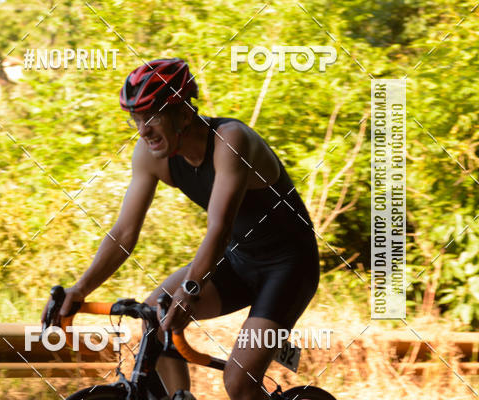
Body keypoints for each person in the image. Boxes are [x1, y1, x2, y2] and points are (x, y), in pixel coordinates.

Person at [42, 58, 320, 400]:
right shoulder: (151, 154)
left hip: (288, 268)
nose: (143, 130)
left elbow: (219, 227)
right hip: (237, 261)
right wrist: (80, 288)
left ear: (184, 114)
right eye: (136, 118)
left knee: (239, 382)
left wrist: (190, 290)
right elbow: (124, 232)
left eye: (153, 117)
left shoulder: (231, 141)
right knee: (155, 320)